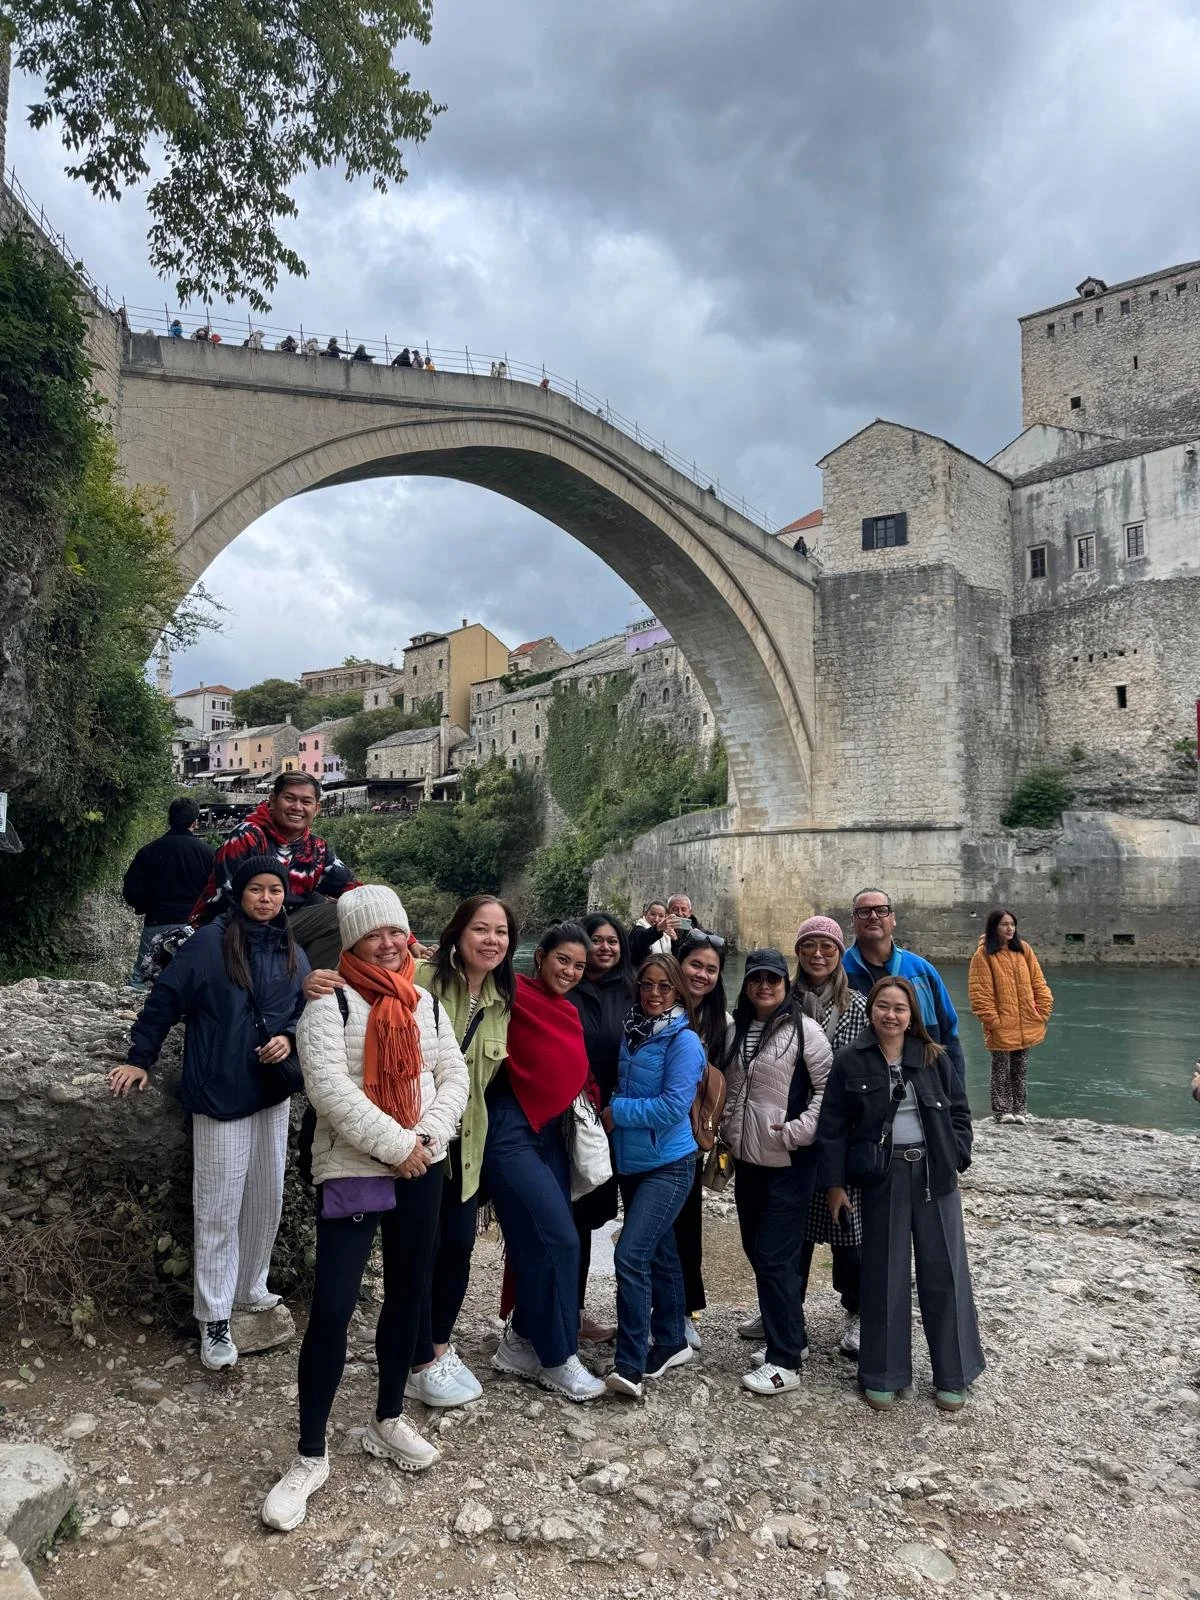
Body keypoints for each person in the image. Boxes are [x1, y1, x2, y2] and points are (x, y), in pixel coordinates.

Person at [261, 886, 468, 1531]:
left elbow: (451, 1078)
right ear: (350, 942)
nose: (386, 941)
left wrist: (424, 1142)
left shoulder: (427, 1005)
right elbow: (327, 1090)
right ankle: (310, 1452)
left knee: (409, 1293)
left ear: (409, 937)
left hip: (420, 1165)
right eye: (372, 933)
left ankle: (387, 1418)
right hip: (353, 1166)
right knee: (332, 1307)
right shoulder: (329, 1004)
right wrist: (399, 1146)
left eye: (395, 931)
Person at [108, 857, 309, 1371]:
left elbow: (305, 1013)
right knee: (218, 1207)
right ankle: (214, 1317)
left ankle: (250, 1286)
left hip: (270, 1091)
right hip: (219, 1090)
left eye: (274, 891)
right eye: (257, 890)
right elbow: (163, 1002)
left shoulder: (290, 949)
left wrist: (287, 1038)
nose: (266, 899)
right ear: (238, 893)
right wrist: (138, 1060)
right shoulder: (207, 944)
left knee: (265, 1197)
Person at [818, 976, 984, 1413]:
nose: (891, 1015)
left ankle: (954, 1373)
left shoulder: (933, 1057)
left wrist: (957, 1154)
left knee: (945, 1272)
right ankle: (883, 1373)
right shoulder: (850, 1061)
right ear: (870, 1010)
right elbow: (833, 1128)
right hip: (883, 1178)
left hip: (934, 1174)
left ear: (912, 1016)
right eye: (883, 1006)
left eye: (900, 1008)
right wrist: (835, 1185)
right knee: (883, 1274)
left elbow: (961, 1111)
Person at [486, 924, 606, 1401]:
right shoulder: (511, 990)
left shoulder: (570, 1010)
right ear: (540, 957)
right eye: (563, 960)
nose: (571, 972)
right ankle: (558, 1358)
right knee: (558, 1237)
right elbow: (461, 969)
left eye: (579, 966)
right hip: (509, 1127)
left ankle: (520, 1342)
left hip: (554, 1133)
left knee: (535, 1243)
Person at [407, 896, 516, 1404]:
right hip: (422, 1139)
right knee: (419, 1250)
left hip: (470, 1144)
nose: (491, 940)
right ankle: (417, 1360)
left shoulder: (502, 998)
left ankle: (439, 1345)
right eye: (481, 929)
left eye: (500, 932)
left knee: (458, 1249)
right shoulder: (423, 982)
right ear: (458, 933)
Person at [721, 948, 832, 1395]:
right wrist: (728, 1128)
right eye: (756, 979)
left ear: (786, 986)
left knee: (774, 1255)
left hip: (790, 1161)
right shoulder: (738, 1029)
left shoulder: (807, 1031)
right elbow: (731, 1085)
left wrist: (799, 1131)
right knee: (756, 1248)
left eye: (773, 979)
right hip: (748, 1159)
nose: (764, 987)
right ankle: (794, 1337)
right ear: (747, 985)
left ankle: (784, 1361)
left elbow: (828, 1089)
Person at [603, 953, 706, 1399]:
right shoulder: (633, 1031)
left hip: (669, 1162)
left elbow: (672, 1107)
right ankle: (671, 1339)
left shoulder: (684, 1042)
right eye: (648, 985)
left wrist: (614, 1112)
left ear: (678, 991)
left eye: (665, 987)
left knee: (629, 1254)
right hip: (633, 1164)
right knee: (660, 1253)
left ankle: (629, 1364)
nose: (655, 994)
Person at [790, 916, 868, 1357]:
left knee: (849, 1232)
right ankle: (786, 1309)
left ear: (839, 954)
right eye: (809, 946)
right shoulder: (782, 1001)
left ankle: (856, 1311)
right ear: (798, 952)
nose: (818, 955)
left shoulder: (858, 1005)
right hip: (793, 1131)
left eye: (827, 947)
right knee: (791, 1229)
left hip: (843, 1133)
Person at [191, 773, 360, 968]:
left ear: (317, 808)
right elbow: (229, 898)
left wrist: (396, 932)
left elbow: (354, 890)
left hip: (278, 932)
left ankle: (303, 983)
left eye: (306, 801)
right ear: (273, 800)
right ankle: (277, 975)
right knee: (333, 913)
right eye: (289, 798)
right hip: (228, 930)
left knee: (347, 911)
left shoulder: (317, 848)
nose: (297, 807)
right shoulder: (248, 835)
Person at [569, 912, 636, 1344]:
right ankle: (570, 1313)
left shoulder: (633, 990)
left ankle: (649, 1315)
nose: (606, 948)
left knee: (600, 1216)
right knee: (571, 1214)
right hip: (570, 1118)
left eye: (613, 941)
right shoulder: (566, 987)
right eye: (597, 940)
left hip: (619, 1118)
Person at [842, 887, 967, 1092]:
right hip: (859, 1086)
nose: (873, 916)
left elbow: (948, 1034)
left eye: (881, 910)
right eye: (864, 911)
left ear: (893, 919)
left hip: (924, 1083)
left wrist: (957, 1099)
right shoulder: (840, 971)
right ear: (853, 921)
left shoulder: (922, 970)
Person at [673, 930, 730, 1347]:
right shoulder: (653, 1002)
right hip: (648, 1131)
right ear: (679, 963)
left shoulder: (720, 1021)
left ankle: (685, 1309)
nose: (702, 975)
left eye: (711, 969)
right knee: (647, 1225)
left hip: (690, 1138)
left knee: (687, 1221)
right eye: (696, 965)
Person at [968, 909, 1054, 1124]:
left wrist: (1043, 1010)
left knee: (1020, 1067)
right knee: (1000, 1068)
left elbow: (1039, 982)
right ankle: (1002, 1111)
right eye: (1004, 924)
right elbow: (980, 992)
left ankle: (1020, 1110)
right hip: (1002, 1023)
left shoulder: (1024, 950)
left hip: (1026, 1020)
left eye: (1012, 924)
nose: (1009, 928)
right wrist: (993, 1021)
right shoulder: (984, 954)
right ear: (993, 927)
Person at [121, 798, 214, 987]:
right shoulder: (208, 853)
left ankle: (137, 1014)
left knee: (142, 980)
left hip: (157, 921)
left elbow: (131, 890)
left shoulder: (148, 852)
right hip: (194, 925)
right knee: (194, 978)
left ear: (169, 820)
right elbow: (217, 890)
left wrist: (146, 906)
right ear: (195, 822)